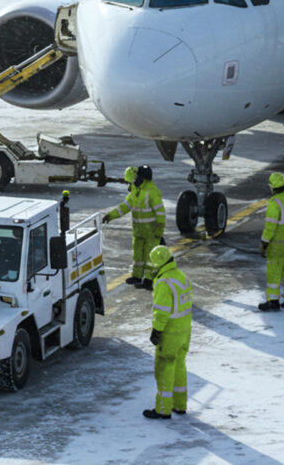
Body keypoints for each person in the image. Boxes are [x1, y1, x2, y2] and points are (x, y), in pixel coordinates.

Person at [144, 244, 192, 420]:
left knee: (165, 368)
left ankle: (163, 409)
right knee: (179, 366)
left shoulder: (164, 282)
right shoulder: (182, 277)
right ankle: (180, 405)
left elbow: (161, 311)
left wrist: (156, 331)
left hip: (170, 333)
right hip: (184, 331)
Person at [103, 165, 166, 289]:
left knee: (150, 257)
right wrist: (110, 216)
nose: (131, 184)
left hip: (151, 232)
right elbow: (125, 207)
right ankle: (137, 276)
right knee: (138, 256)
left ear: (141, 179)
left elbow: (160, 212)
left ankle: (149, 280)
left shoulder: (151, 192)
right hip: (138, 231)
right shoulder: (136, 191)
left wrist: (159, 229)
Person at [259, 172, 284, 312]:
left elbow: (270, 227)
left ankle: (273, 302)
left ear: (272, 187)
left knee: (274, 275)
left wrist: (264, 243)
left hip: (277, 246)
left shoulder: (275, 203)